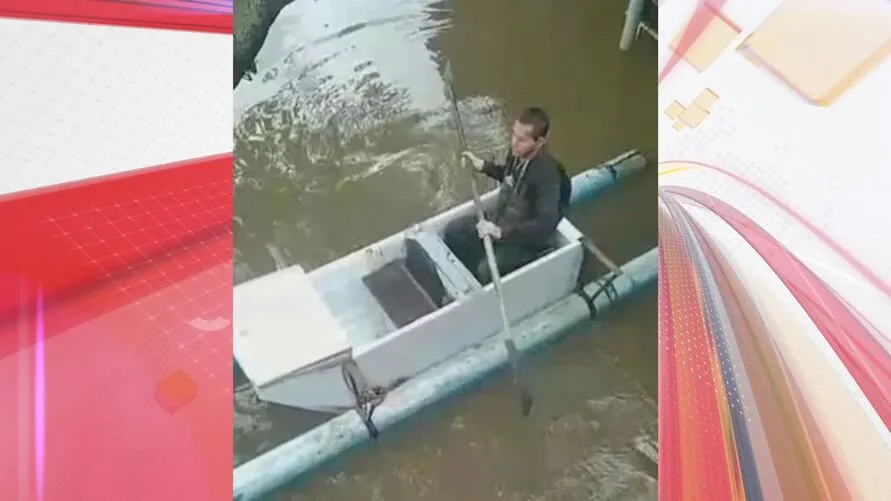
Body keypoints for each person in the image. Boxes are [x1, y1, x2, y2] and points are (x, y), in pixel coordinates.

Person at [444, 107, 571, 284]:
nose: (513, 143)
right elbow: (510, 175)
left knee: (487, 269)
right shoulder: (518, 154)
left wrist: (501, 233)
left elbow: (545, 224)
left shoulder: (547, 176)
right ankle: (471, 276)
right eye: (513, 135)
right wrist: (483, 166)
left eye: (521, 140)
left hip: (524, 240)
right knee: (454, 230)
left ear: (540, 142)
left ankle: (489, 277)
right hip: (502, 218)